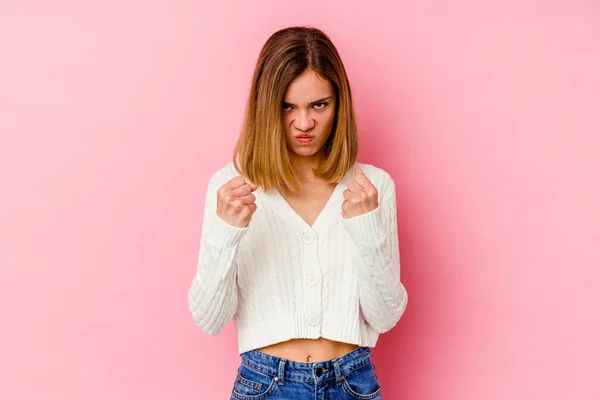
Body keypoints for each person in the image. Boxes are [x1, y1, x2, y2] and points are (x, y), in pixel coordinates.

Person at [188, 26, 408, 400]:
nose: (304, 123)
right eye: (287, 106)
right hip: (265, 384)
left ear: (339, 103)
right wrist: (225, 234)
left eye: (319, 105)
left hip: (352, 383)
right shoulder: (231, 188)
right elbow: (209, 320)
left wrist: (367, 228)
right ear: (266, 107)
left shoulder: (372, 187)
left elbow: (385, 316)